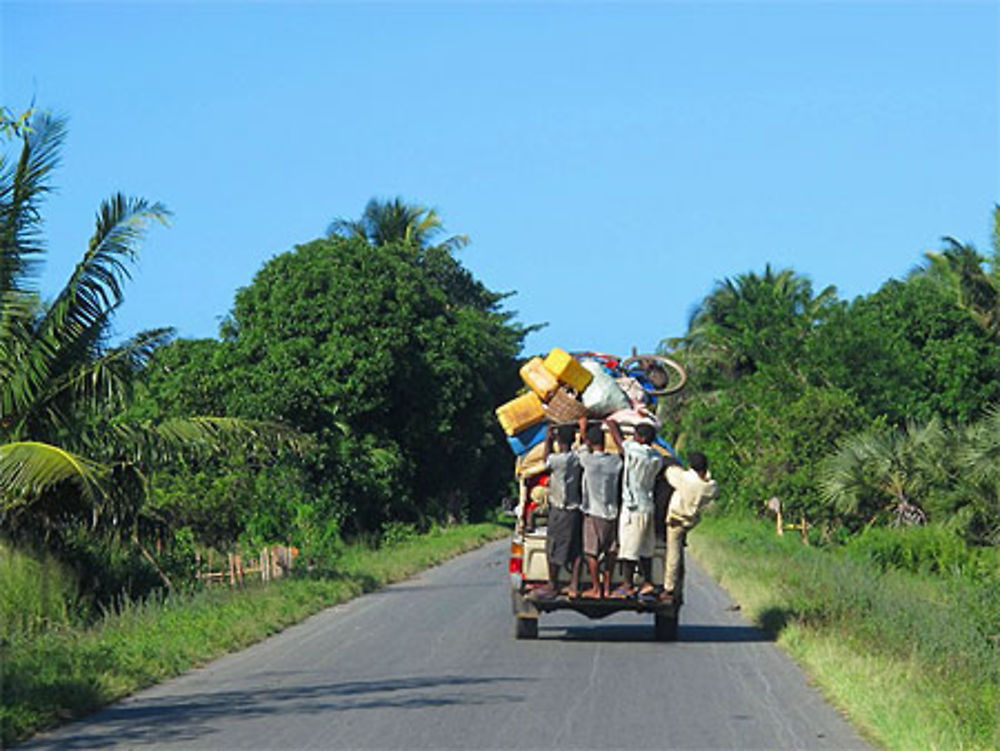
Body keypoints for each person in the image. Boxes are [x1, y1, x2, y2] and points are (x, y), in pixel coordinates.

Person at [606, 419, 663, 599]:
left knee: (629, 550)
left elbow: (618, 440)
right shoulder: (657, 457)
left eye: (636, 434)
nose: (634, 437)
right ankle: (647, 582)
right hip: (647, 504)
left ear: (642, 438)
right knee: (645, 549)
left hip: (633, 508)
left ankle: (627, 585)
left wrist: (611, 424)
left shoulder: (634, 450)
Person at [533, 424, 583, 600]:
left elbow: (544, 460)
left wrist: (547, 440)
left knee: (553, 547)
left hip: (560, 510)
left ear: (558, 440)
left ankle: (553, 585)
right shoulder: (578, 458)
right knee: (576, 548)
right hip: (576, 509)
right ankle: (574, 585)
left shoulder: (557, 460)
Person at [662, 451, 718, 603]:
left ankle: (669, 587)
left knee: (673, 555)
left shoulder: (685, 479)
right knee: (678, 552)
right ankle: (676, 585)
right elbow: (713, 489)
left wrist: (671, 462)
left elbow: (670, 473)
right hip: (689, 521)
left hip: (676, 519)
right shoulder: (709, 486)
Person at [577, 418, 623, 599]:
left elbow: (581, 446)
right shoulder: (615, 461)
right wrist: (614, 431)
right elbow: (623, 451)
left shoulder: (587, 460)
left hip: (593, 513)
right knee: (611, 550)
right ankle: (607, 586)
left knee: (592, 552)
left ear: (589, 442)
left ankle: (596, 588)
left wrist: (582, 428)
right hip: (612, 512)